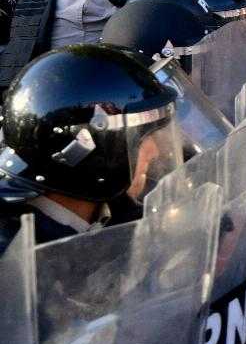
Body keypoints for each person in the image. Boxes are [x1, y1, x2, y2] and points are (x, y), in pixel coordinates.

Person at [0, 44, 182, 253]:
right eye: (143, 137)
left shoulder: (115, 209)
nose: (155, 152)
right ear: (83, 149)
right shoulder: (15, 256)